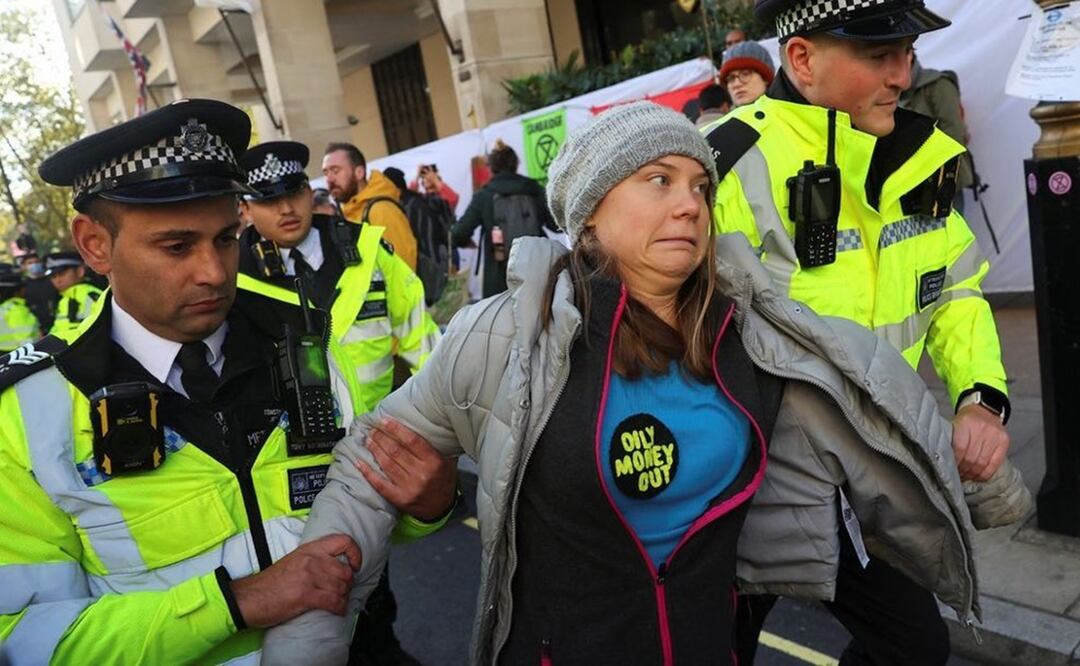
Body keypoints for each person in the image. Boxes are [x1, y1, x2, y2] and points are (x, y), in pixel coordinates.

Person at [261, 102, 1027, 665]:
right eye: (658, 180)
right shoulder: (502, 337)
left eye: (699, 186)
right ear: (590, 215)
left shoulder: (754, 335)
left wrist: (993, 481)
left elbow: (880, 415)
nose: (690, 202)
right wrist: (307, 644)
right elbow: (366, 469)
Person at [0, 98, 370, 665]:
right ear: (94, 244)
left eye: (225, 238)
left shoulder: (304, 333)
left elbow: (371, 504)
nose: (215, 273)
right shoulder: (28, 411)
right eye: (177, 247)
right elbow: (26, 636)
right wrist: (234, 604)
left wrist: (429, 508)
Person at [704, 1, 1013, 663]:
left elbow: (955, 290)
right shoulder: (728, 163)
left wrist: (981, 397)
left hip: (868, 471)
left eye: (907, 53)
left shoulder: (923, 155)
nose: (902, 75)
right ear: (802, 59)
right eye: (879, 55)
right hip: (748, 481)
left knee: (914, 647)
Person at [236, 141, 448, 666]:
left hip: (374, 455)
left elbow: (424, 344)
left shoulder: (368, 250)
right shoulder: (230, 275)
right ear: (246, 208)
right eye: (267, 200)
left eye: (293, 193)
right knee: (307, 600)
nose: (286, 208)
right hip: (285, 474)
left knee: (372, 594)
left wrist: (448, 427)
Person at [450, 139, 557, 298]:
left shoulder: (484, 196)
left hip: (500, 281)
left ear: (491, 168)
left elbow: (458, 233)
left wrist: (465, 242)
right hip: (540, 274)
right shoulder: (534, 190)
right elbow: (556, 224)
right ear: (516, 164)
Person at [322, 142, 418, 271]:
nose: (329, 179)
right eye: (326, 173)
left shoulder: (381, 210)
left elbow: (405, 270)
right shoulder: (350, 212)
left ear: (359, 172)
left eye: (335, 171)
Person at [900, 52, 974, 214]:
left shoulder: (938, 85)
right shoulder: (894, 91)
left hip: (942, 179)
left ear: (910, 55)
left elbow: (954, 132)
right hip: (909, 184)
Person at [384, 166, 457, 306]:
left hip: (424, 269)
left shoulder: (406, 208)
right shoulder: (421, 200)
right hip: (439, 262)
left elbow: (452, 199)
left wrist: (434, 179)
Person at [45, 249, 104, 335]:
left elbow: (93, 329)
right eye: (53, 276)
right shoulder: (64, 299)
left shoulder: (89, 296)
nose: (58, 280)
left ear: (80, 271)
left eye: (62, 274)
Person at [719, 41, 775, 107]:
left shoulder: (784, 110)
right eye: (731, 78)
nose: (736, 84)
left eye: (745, 74)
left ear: (765, 79)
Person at [0, 263, 39, 351]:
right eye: (23, 287)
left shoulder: (3, 307)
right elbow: (25, 339)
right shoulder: (17, 310)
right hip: (19, 353)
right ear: (17, 291)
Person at [17, 251, 57, 334]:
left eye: (37, 262)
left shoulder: (53, 280)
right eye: (30, 263)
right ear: (24, 266)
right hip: (37, 329)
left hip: (56, 323)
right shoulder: (22, 287)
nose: (34, 265)